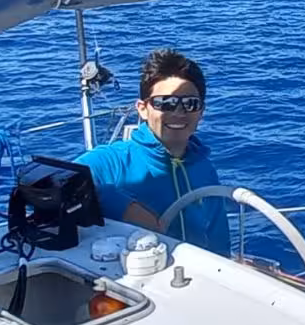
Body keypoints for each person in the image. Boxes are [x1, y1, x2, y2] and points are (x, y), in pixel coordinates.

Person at [75, 48, 233, 256]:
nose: (177, 113)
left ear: (201, 112)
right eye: (164, 103)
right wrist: (121, 204)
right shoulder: (113, 160)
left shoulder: (204, 167)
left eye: (190, 104)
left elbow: (218, 241)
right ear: (142, 108)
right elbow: (45, 182)